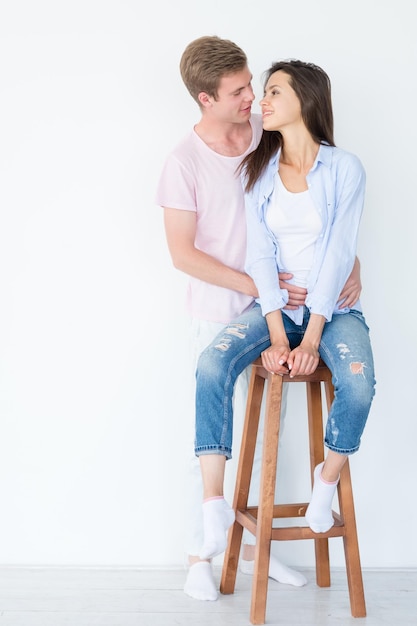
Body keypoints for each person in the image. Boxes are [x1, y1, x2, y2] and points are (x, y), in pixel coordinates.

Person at [156, 37, 362, 601]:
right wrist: (259, 286)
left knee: (262, 437)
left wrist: (351, 263)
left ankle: (253, 551)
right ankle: (202, 552)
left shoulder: (264, 134)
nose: (251, 97)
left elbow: (320, 213)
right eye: (238, 91)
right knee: (212, 428)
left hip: (286, 307)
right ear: (206, 98)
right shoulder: (184, 162)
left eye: (254, 85)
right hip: (226, 307)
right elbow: (182, 254)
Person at [195, 58, 376, 563]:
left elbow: (341, 251)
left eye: (275, 92)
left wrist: (312, 336)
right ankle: (214, 505)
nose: (263, 101)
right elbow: (259, 255)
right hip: (273, 307)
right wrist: (277, 333)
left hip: (333, 311)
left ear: (307, 101)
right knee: (211, 363)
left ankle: (327, 479)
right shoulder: (259, 170)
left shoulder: (345, 168)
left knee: (360, 384)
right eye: (264, 92)